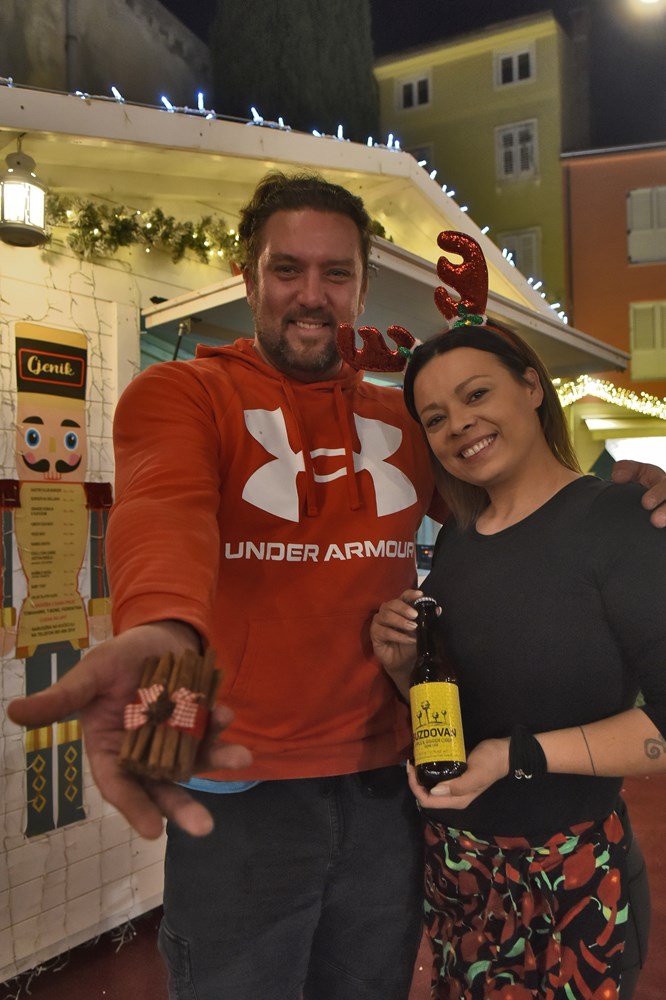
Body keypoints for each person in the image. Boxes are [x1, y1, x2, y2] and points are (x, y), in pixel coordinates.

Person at [6, 177, 666, 1000]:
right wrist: (163, 632)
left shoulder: (408, 422)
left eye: (336, 273)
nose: (311, 295)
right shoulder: (183, 394)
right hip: (245, 789)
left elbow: (517, 504)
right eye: (287, 269)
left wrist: (632, 489)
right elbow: (165, 511)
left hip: (392, 790)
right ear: (249, 275)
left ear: (360, 285)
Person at [371, 302, 666, 997]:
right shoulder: (456, 539)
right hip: (461, 872)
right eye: (435, 417)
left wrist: (516, 756)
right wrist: (404, 669)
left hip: (572, 879)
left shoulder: (622, 519)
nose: (458, 425)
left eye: (476, 394)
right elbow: (463, 705)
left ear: (532, 386)